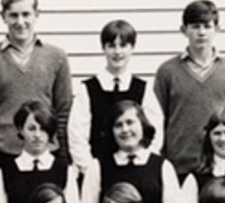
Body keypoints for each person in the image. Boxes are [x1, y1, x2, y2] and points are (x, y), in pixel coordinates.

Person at [0, 0, 73, 178]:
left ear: (36, 15)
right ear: (3, 17)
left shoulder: (56, 57)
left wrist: (64, 158)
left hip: (45, 154)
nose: (20, 22)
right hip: (0, 154)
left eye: (26, 14)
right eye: (13, 15)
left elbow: (63, 111)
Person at [153, 0, 225, 178]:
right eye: (195, 26)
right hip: (179, 166)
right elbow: (157, 121)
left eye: (207, 26)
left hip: (219, 166)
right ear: (184, 30)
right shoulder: (167, 71)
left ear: (217, 29)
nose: (201, 32)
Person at [79, 100, 183, 203]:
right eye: (118, 125)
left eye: (130, 122)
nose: (125, 129)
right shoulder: (98, 167)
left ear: (142, 125)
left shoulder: (162, 167)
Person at [68, 19, 165, 176]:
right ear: (104, 48)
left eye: (123, 45)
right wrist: (92, 172)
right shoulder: (88, 89)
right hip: (99, 173)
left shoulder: (142, 89)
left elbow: (155, 133)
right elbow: (77, 137)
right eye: (111, 46)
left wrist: (142, 165)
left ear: (132, 48)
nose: (117, 52)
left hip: (137, 171)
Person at [0, 100, 85, 203]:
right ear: (21, 130)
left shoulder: (63, 170)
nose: (38, 135)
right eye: (31, 128)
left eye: (43, 129)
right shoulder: (8, 171)